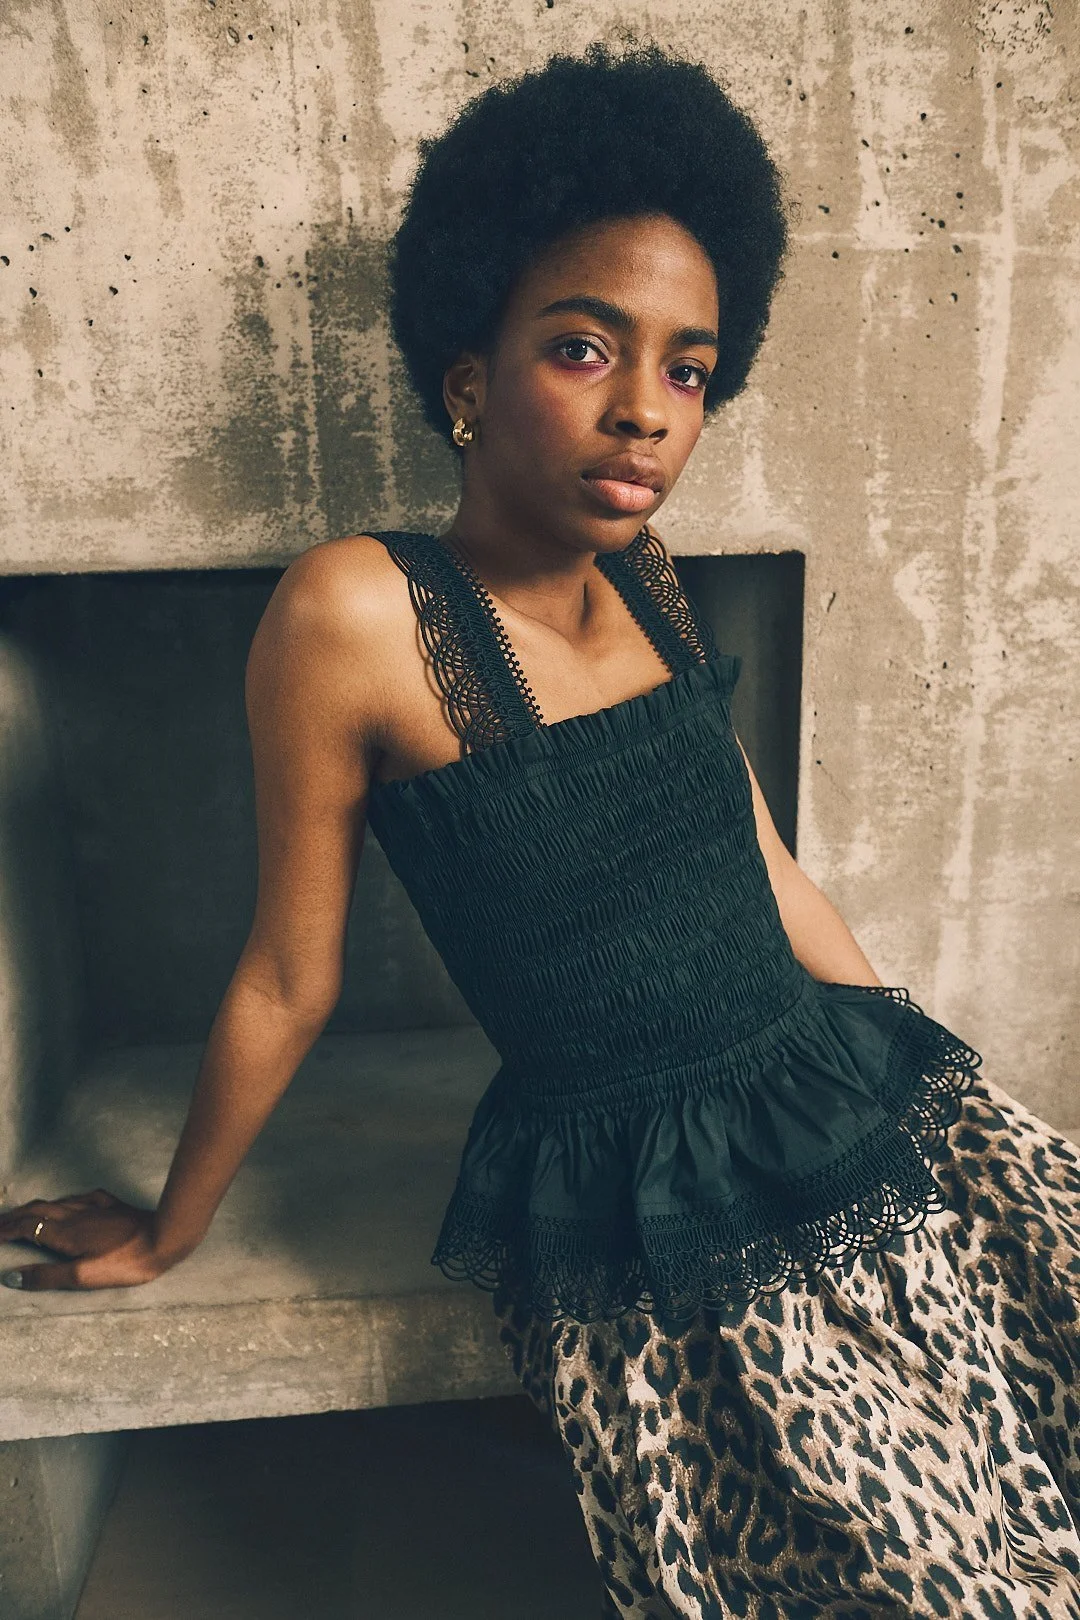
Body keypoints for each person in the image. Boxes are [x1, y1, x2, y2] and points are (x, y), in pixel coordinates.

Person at [3, 39, 1079, 1618]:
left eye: (689, 371)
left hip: (822, 1080)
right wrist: (172, 1229)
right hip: (650, 1192)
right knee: (920, 1572)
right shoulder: (354, 611)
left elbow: (759, 861)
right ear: (468, 381)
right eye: (585, 349)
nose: (646, 412)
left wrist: (912, 1073)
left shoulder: (646, 572)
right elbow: (288, 977)